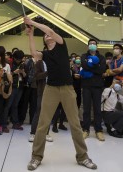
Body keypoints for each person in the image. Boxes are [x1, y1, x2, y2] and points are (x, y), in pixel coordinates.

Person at [24, 16, 96, 171]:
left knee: (75, 124)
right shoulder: (44, 54)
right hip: (51, 89)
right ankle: (36, 157)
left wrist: (32, 23)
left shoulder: (62, 45)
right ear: (44, 40)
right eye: (45, 35)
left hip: (67, 89)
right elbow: (32, 53)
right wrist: (30, 33)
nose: (48, 35)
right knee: (42, 125)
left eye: (50, 34)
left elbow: (49, 29)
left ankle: (83, 157)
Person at [80, 39, 107, 141]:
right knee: (86, 109)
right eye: (90, 44)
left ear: (97, 46)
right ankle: (85, 130)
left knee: (97, 109)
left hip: (97, 86)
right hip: (86, 86)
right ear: (88, 46)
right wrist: (96, 67)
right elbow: (84, 65)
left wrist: (91, 67)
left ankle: (98, 130)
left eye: (94, 44)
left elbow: (102, 70)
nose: (92, 45)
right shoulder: (84, 56)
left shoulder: (101, 57)